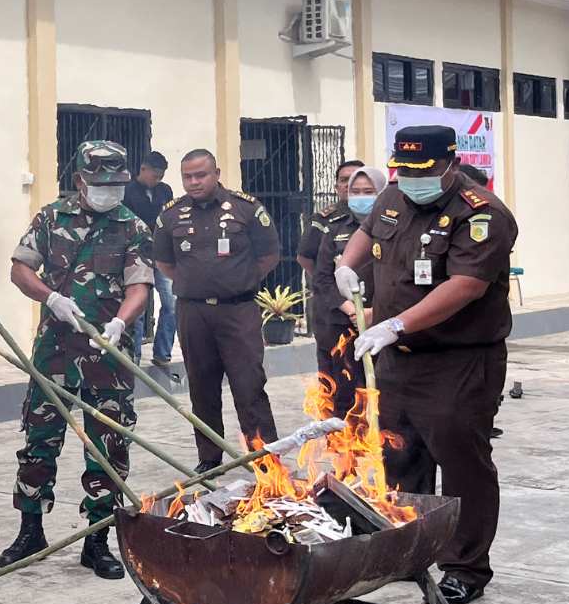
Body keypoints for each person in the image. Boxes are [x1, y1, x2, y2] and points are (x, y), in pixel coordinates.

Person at [336, 125, 518, 604]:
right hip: (397, 359)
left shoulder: (482, 214)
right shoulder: (394, 197)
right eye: (405, 170)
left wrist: (394, 325)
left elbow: (466, 286)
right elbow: (366, 231)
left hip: (457, 360)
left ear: (451, 163)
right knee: (400, 455)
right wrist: (347, 265)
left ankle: (464, 567)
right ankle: (408, 550)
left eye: (424, 170)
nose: (412, 179)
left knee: (462, 463)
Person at [0, 141, 153, 578]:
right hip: (54, 351)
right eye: (102, 183)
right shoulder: (51, 218)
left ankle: (98, 540)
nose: (111, 191)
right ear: (81, 180)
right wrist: (50, 298)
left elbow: (139, 286)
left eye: (118, 184)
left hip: (108, 353)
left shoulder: (133, 226)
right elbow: (20, 269)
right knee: (39, 438)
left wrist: (121, 324)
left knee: (108, 447)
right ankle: (31, 530)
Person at [155, 149, 281, 471]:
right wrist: (199, 285)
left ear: (217, 173)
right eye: (187, 177)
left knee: (249, 385)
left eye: (201, 175)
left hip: (237, 311)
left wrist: (238, 282)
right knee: (201, 387)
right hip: (192, 314)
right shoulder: (170, 215)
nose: (194, 182)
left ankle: (263, 458)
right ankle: (209, 459)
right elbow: (166, 264)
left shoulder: (246, 209)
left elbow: (268, 256)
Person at [299, 162, 380, 418]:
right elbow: (321, 276)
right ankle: (346, 448)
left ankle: (384, 445)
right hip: (339, 319)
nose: (359, 196)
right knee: (343, 385)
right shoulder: (333, 227)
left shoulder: (394, 227)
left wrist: (372, 312)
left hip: (383, 317)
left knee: (381, 387)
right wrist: (350, 309)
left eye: (368, 191)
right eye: (355, 191)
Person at [122, 151, 176, 366]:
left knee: (172, 303)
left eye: (161, 176)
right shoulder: (127, 192)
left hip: (162, 254)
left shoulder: (165, 191)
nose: (157, 180)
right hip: (137, 255)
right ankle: (133, 356)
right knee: (139, 307)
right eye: (154, 175)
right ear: (143, 169)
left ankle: (163, 353)